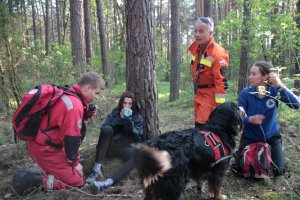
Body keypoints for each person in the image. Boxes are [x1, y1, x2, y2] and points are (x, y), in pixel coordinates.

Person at [12, 72, 105, 195]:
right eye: (96, 93)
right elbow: (71, 139)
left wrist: (87, 112)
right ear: (87, 88)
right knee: (76, 181)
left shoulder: (69, 93)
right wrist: (74, 163)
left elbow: (61, 116)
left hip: (45, 143)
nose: (97, 97)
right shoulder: (74, 105)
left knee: (76, 169)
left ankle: (57, 172)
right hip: (46, 149)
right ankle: (24, 179)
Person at [231, 61, 300, 176]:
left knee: (278, 171)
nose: (250, 77)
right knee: (240, 169)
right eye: (250, 74)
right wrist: (250, 119)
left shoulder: (274, 92)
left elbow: (296, 105)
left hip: (271, 137)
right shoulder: (246, 93)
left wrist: (279, 85)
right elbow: (238, 117)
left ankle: (274, 153)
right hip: (250, 137)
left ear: (265, 76)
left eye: (254, 74)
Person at [85, 91, 144, 186]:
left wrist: (129, 121)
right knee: (107, 129)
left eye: (129, 103)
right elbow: (105, 128)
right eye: (125, 103)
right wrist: (120, 118)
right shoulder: (115, 112)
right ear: (121, 103)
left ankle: (110, 181)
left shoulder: (137, 117)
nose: (127, 106)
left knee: (138, 154)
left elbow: (137, 137)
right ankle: (96, 170)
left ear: (132, 105)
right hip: (112, 146)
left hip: (126, 148)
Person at [188, 17, 229, 128]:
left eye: (201, 31)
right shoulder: (196, 49)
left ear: (210, 33)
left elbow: (221, 83)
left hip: (210, 95)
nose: (197, 34)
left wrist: (219, 107)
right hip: (198, 93)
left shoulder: (218, 53)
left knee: (202, 126)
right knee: (198, 123)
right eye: (195, 31)